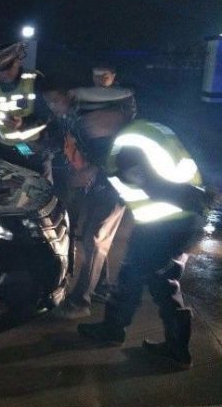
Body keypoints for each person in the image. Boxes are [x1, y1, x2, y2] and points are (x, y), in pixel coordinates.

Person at [76, 117, 208, 370]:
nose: (90, 127)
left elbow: (153, 184)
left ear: (109, 118)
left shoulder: (126, 148)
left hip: (166, 224)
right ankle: (115, 329)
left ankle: (177, 350)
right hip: (168, 222)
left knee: (161, 283)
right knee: (132, 275)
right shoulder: (144, 131)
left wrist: (106, 173)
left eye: (93, 121)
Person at [51, 89, 132, 319]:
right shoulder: (86, 126)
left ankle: (80, 302)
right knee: (93, 236)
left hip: (115, 188)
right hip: (100, 186)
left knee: (95, 239)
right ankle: (101, 287)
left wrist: (91, 170)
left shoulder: (115, 132)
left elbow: (114, 165)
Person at [0, 57, 47, 172]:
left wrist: (23, 122)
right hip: (3, 147)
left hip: (30, 146)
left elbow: (46, 113)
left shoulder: (35, 79)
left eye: (8, 68)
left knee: (30, 178)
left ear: (18, 61)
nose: (5, 73)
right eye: (0, 69)